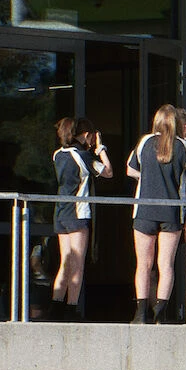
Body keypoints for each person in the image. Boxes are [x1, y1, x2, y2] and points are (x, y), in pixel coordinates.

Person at [127, 103, 186, 324]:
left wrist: (146, 178)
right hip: (172, 212)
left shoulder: (144, 142)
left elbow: (130, 168)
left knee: (143, 264)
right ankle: (161, 312)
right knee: (166, 265)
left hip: (145, 210)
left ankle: (140, 313)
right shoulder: (184, 146)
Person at [50, 117, 111, 322]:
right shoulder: (82, 156)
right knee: (77, 264)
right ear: (85, 135)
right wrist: (100, 149)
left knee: (65, 262)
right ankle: (71, 308)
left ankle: (56, 305)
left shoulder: (57, 155)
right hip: (78, 212)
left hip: (61, 212)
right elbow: (108, 172)